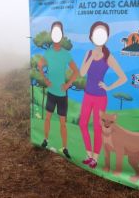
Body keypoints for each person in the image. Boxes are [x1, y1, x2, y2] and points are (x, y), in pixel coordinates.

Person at [79, 21, 127, 169]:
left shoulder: (108, 56)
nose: (99, 36)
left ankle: (95, 158)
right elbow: (82, 73)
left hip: (100, 97)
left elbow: (123, 77)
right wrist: (91, 58)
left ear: (107, 37)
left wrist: (108, 87)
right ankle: (88, 155)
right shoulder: (88, 53)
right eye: (96, 33)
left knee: (97, 128)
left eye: (102, 33)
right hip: (87, 95)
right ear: (91, 36)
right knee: (82, 124)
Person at [38, 21, 78, 159]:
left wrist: (68, 85)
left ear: (61, 35)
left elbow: (76, 71)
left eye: (58, 31)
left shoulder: (66, 54)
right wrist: (45, 79)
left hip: (62, 95)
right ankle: (45, 140)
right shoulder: (48, 52)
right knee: (47, 118)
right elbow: (39, 65)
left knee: (63, 124)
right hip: (51, 93)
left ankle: (65, 148)